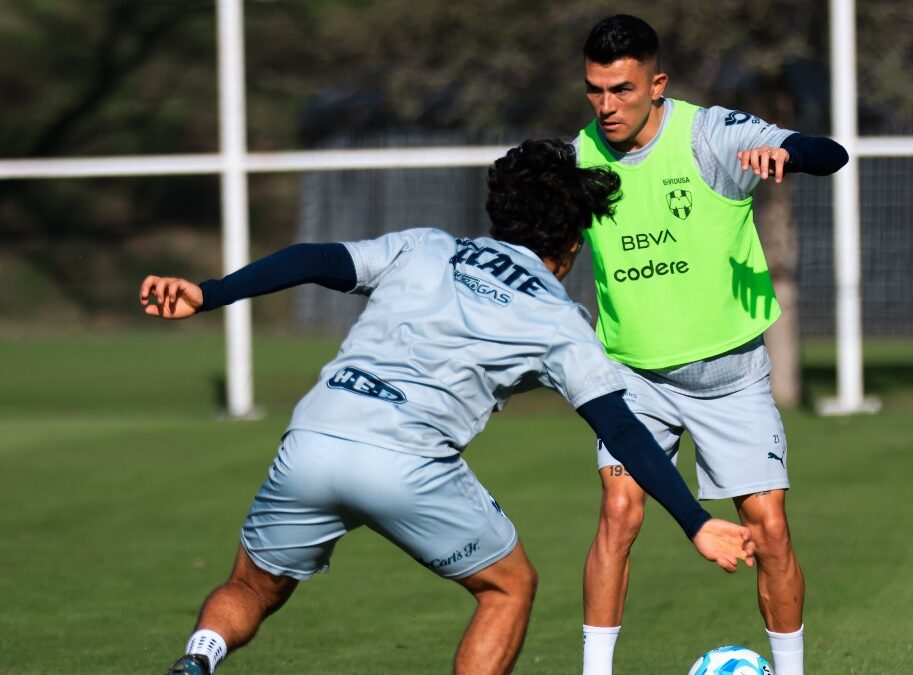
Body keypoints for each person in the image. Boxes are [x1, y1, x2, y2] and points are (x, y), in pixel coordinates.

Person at [141, 139, 756, 675]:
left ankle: (199, 658)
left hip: (316, 434)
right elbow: (621, 428)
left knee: (252, 584)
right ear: (572, 245)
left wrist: (210, 293)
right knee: (509, 587)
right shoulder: (560, 322)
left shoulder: (424, 246)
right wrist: (694, 520)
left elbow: (314, 258)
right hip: (408, 463)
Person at [573, 15, 849, 675]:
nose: (607, 105)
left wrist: (789, 154)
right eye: (595, 90)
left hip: (731, 377)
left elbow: (830, 152)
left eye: (623, 89)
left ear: (657, 83)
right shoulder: (578, 159)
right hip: (632, 376)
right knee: (619, 511)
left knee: (772, 531)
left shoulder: (713, 135)